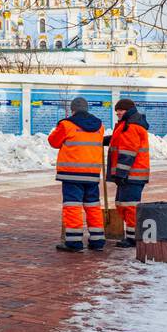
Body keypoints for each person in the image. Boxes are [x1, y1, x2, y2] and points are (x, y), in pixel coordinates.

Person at [47, 96, 107, 252]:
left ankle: (74, 242)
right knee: (93, 206)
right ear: (87, 109)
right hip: (92, 173)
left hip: (71, 174)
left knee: (72, 207)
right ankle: (97, 241)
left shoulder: (66, 125)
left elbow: (53, 142)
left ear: (73, 110)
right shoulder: (99, 126)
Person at [105, 98, 151, 248]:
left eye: (121, 110)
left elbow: (128, 152)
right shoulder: (126, 125)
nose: (118, 112)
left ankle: (133, 238)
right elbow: (122, 141)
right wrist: (108, 140)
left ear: (129, 110)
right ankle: (133, 234)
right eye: (117, 110)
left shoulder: (131, 126)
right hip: (130, 175)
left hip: (132, 174)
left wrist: (121, 174)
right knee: (121, 204)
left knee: (130, 206)